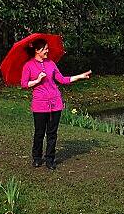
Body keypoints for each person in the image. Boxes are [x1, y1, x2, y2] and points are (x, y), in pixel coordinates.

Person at [20, 37, 91, 169]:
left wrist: (80, 76)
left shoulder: (51, 63)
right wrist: (37, 80)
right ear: (37, 50)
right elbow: (24, 84)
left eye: (47, 48)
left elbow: (63, 79)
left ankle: (50, 159)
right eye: (45, 49)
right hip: (40, 105)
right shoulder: (28, 66)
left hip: (55, 103)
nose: (47, 51)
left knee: (52, 133)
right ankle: (36, 157)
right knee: (39, 133)